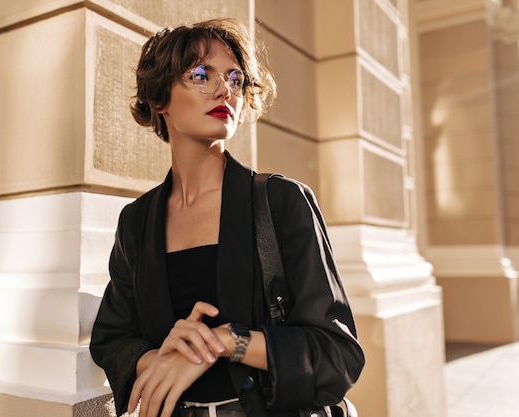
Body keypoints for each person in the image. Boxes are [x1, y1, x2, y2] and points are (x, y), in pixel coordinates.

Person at [89, 18, 364, 417]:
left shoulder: (282, 201)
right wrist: (163, 359)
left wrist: (222, 342)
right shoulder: (137, 221)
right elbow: (111, 339)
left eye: (235, 79)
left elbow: (337, 355)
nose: (224, 90)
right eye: (201, 75)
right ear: (160, 98)